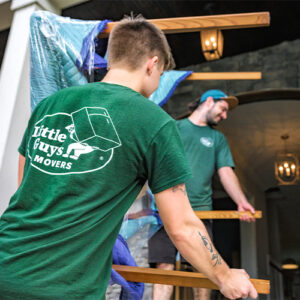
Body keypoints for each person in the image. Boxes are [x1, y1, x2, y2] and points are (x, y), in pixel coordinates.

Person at [0, 15, 257, 300]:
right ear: (153, 63)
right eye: (161, 75)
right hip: (61, 288)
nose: (158, 82)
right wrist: (225, 276)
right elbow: (182, 227)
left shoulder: (50, 105)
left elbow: (25, 191)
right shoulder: (155, 122)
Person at [149, 89, 256, 300]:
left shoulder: (216, 138)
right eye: (223, 109)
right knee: (164, 268)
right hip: (165, 212)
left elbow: (225, 172)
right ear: (209, 101)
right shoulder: (175, 128)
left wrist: (242, 202)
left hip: (201, 214)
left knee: (204, 270)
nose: (224, 116)